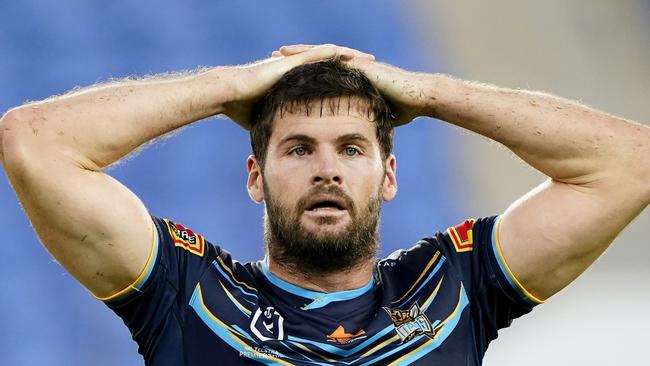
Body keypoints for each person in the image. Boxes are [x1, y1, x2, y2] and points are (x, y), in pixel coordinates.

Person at [0, 44, 647, 365]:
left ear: (389, 175)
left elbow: (629, 164)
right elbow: (32, 143)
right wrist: (228, 85)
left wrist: (429, 91)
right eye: (299, 149)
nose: (328, 170)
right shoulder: (189, 295)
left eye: (352, 149)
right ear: (256, 176)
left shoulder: (453, 291)